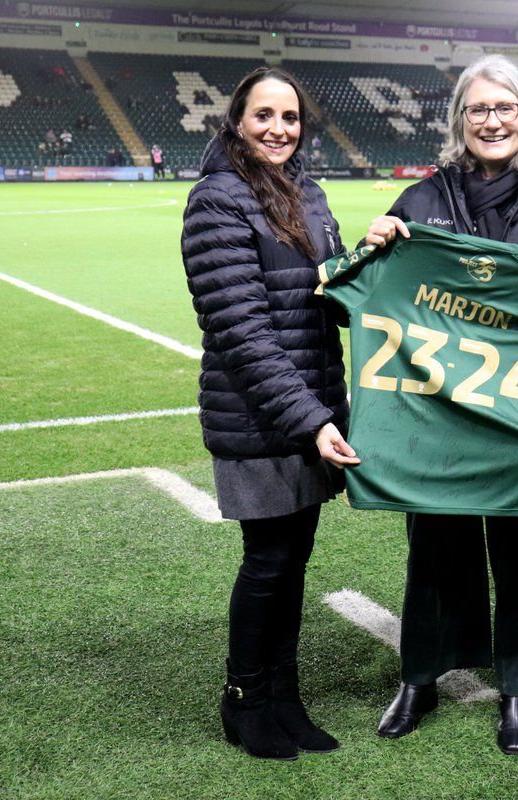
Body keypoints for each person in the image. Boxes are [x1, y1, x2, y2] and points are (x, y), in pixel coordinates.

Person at [361, 54, 518, 756]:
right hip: (433, 416)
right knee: (433, 547)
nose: (493, 120)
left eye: (506, 108)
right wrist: (372, 249)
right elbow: (367, 304)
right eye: (478, 109)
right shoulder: (421, 201)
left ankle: (517, 688)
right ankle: (422, 676)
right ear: (459, 120)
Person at [180, 66, 359, 761]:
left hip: (310, 407)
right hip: (264, 415)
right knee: (269, 559)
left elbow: (338, 294)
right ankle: (245, 699)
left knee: (294, 560)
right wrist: (310, 419)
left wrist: (378, 256)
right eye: (264, 115)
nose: (278, 129)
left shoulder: (308, 194)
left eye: (290, 117)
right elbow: (241, 333)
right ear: (237, 120)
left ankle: (285, 696)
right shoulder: (217, 201)